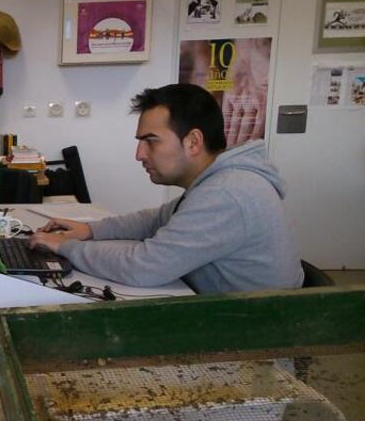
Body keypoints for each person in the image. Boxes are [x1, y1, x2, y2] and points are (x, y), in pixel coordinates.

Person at [29, 83, 303, 294]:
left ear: (193, 142)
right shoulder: (221, 182)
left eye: (151, 141)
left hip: (253, 346)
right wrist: (90, 231)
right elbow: (157, 219)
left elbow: (143, 267)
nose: (139, 154)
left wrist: (67, 247)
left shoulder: (228, 194)